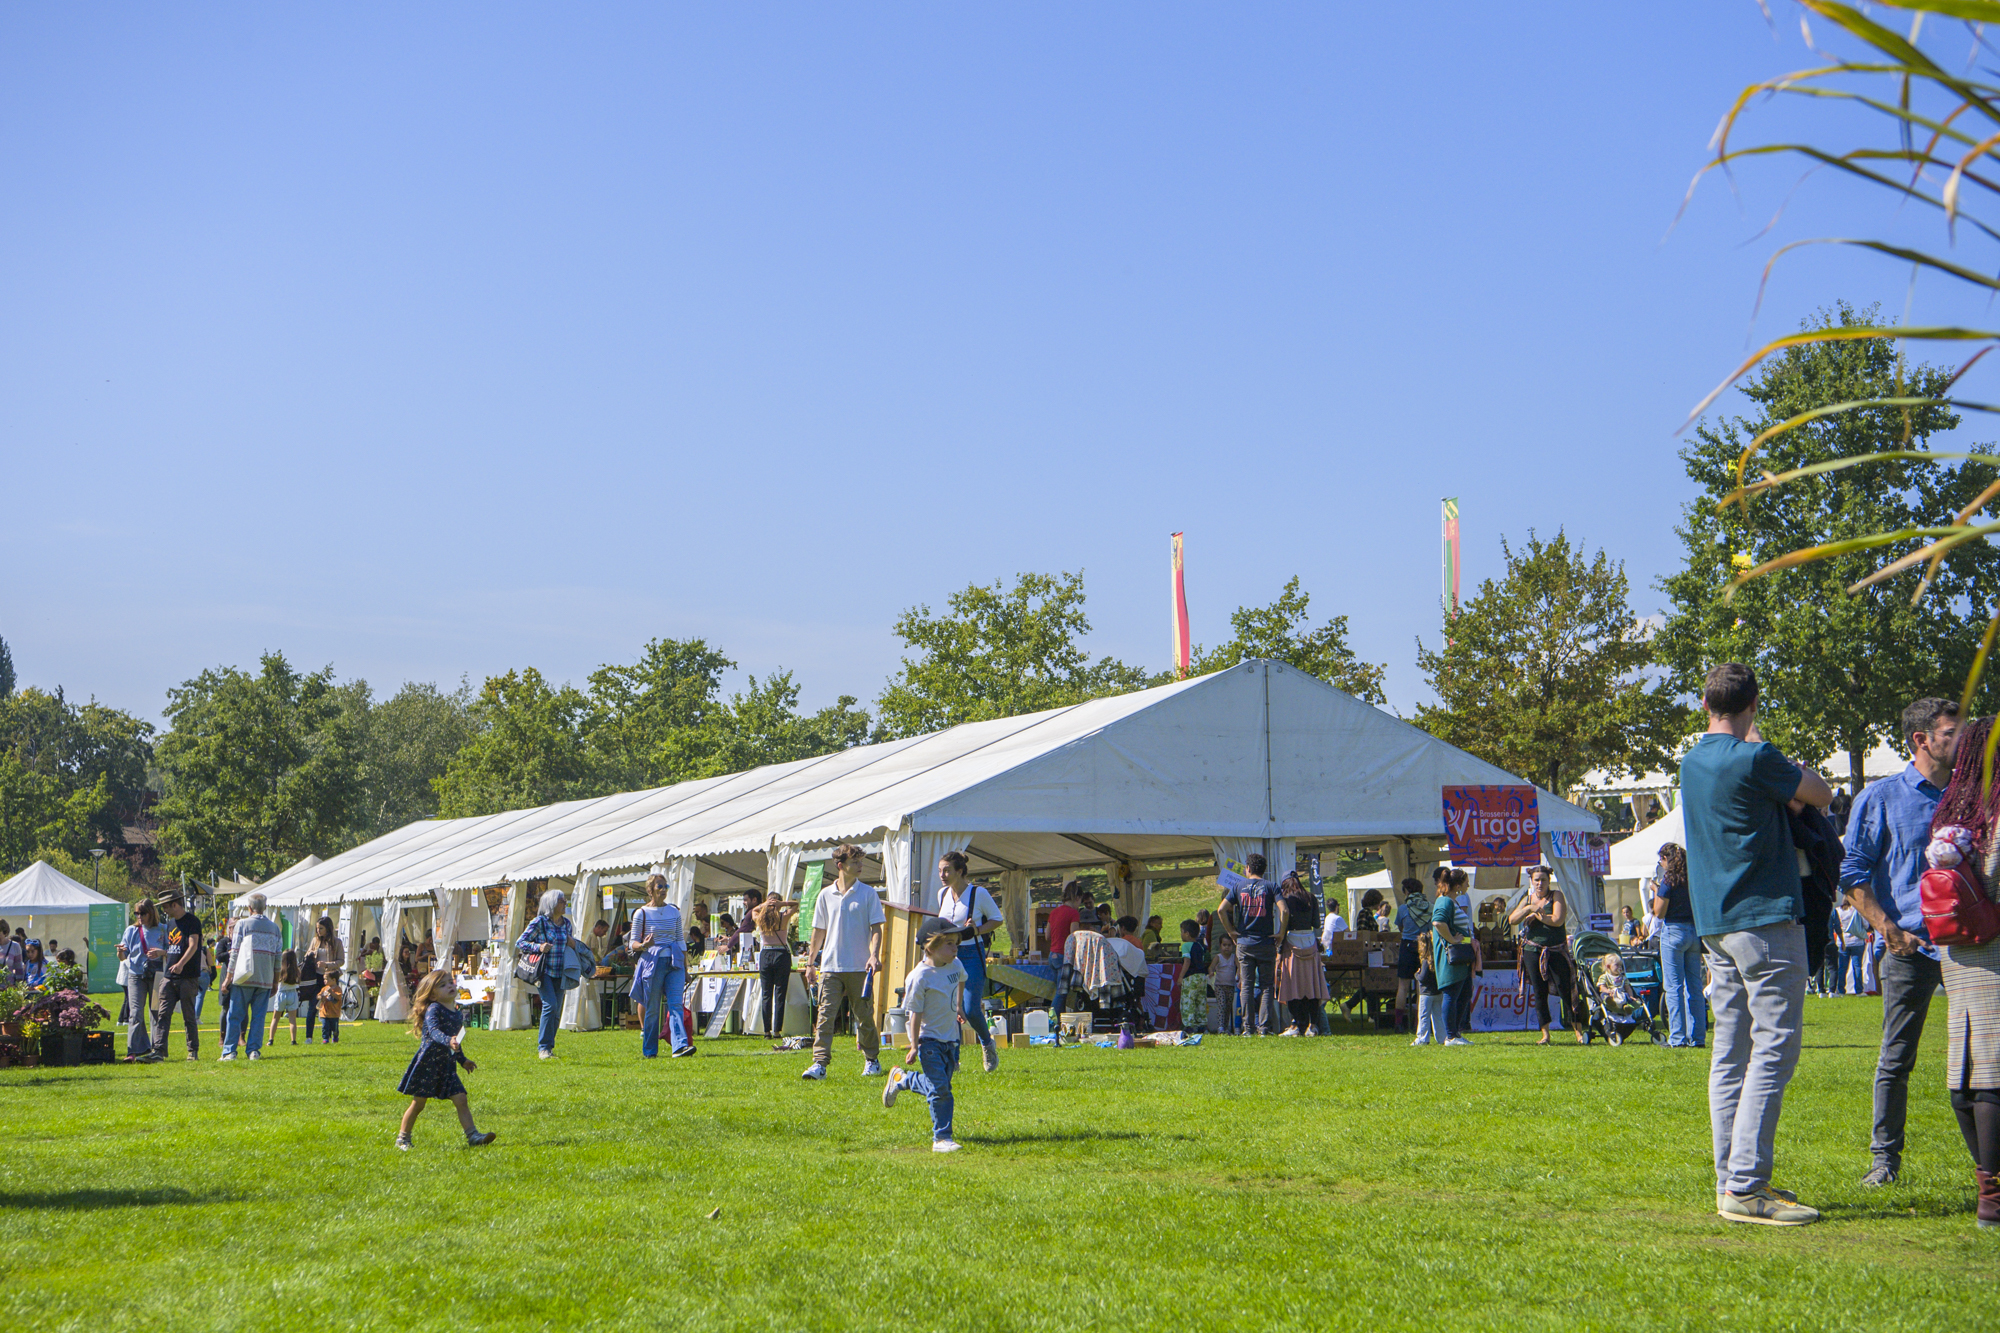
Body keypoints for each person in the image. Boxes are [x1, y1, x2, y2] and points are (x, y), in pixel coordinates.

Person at [1681, 662, 1833, 1226]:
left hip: (1715, 921)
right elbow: (1817, 794)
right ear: (1754, 704)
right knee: (1774, 1049)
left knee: (1731, 1053)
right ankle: (1746, 1186)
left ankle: (1732, 1178)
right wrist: (1768, 746)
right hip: (1766, 918)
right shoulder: (1757, 756)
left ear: (1704, 704)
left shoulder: (1690, 762)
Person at [1839, 697, 1960, 1189]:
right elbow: (1852, 872)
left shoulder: (1972, 795)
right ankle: (1884, 1160)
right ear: (1921, 740)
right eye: (1953, 733)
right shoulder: (1882, 796)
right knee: (1896, 1057)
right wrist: (1887, 929)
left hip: (1970, 946)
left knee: (1986, 1056)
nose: (1964, 740)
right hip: (1910, 947)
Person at [1923, 712, 2000, 1229]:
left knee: (1964, 1077)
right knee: (1992, 1077)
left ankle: (1987, 1186)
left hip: (1956, 955)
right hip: (1995, 954)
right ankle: (1992, 1197)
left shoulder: (1949, 815)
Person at [880, 918, 967, 1153]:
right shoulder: (919, 977)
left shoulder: (955, 964)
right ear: (930, 947)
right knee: (940, 1089)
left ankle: (902, 1080)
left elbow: (961, 980)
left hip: (951, 1039)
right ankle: (941, 1138)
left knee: (939, 1085)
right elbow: (914, 1013)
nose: (955, 948)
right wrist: (914, 1045)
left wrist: (959, 1007)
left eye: (956, 943)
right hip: (928, 1040)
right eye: (949, 943)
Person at [801, 843, 886, 1081]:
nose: (860, 866)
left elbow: (877, 927)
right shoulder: (825, 895)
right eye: (855, 862)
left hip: (860, 967)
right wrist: (810, 964)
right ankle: (819, 1064)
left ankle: (872, 1060)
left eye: (861, 862)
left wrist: (874, 954)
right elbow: (818, 931)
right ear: (841, 866)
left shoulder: (868, 893)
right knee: (825, 1017)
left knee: (865, 1017)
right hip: (830, 967)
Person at [395, 969, 497, 1151]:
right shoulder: (434, 1009)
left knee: (461, 1099)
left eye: (450, 982)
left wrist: (462, 1060)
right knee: (418, 1103)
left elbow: (456, 1039)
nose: (450, 986)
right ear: (432, 995)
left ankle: (473, 1136)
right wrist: (448, 1040)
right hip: (429, 1064)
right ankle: (403, 1139)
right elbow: (434, 1032)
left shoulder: (457, 1013)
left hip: (447, 1066)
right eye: (442, 985)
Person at [937, 853, 1003, 1072]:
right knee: (950, 1008)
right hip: (948, 956)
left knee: (970, 1008)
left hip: (972, 954)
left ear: (960, 871)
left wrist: (976, 929)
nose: (942, 875)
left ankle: (987, 1043)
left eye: (946, 870)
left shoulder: (978, 893)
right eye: (940, 870)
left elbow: (997, 919)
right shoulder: (942, 894)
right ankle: (953, 1060)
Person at [1509, 865, 1585, 1046]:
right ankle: (1545, 1035)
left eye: (1543, 879)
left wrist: (1537, 914)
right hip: (1532, 951)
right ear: (1531, 881)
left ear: (1549, 881)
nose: (1540, 883)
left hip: (1556, 950)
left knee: (1565, 989)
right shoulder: (1528, 899)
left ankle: (1579, 1032)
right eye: (1536, 880)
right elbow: (1512, 919)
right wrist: (1529, 908)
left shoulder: (1556, 895)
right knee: (1539, 992)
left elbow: (1557, 920)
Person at [628, 874, 694, 1058]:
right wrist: (643, 945)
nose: (663, 890)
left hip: (674, 963)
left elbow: (680, 941)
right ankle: (650, 1051)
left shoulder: (674, 911)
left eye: (666, 886)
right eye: (659, 886)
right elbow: (632, 943)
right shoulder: (641, 913)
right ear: (650, 890)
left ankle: (680, 1046)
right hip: (652, 962)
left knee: (675, 1005)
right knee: (652, 1008)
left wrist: (685, 968)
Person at [516, 887, 583, 1060]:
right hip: (544, 971)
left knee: (556, 1010)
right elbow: (520, 942)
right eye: (561, 901)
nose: (565, 904)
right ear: (551, 903)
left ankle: (549, 1048)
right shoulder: (540, 922)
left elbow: (569, 944)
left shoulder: (566, 923)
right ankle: (543, 1047)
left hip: (561, 972)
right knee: (550, 1005)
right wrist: (538, 947)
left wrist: (573, 944)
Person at [1219, 853, 1281, 1035]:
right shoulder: (1271, 886)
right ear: (1263, 869)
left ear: (1247, 868)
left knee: (1246, 985)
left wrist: (1231, 931)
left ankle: (1248, 1028)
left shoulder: (1238, 886)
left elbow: (1221, 909)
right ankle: (1264, 1028)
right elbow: (1283, 910)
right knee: (1267, 985)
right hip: (1266, 942)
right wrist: (1281, 933)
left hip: (1244, 942)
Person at [1651, 843, 1705, 1048]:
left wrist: (1657, 891)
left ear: (1667, 859)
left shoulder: (1668, 880)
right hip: (1693, 931)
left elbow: (1659, 912)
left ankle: (1678, 1038)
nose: (1661, 864)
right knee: (1695, 987)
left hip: (1674, 931)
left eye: (1661, 860)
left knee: (1673, 988)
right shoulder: (1692, 878)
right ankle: (1698, 1037)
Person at [220, 894, 282, 1062]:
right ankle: (253, 1050)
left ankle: (229, 1052)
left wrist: (228, 978)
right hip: (265, 978)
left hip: (244, 977)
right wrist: (275, 980)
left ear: (249, 908)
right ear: (265, 907)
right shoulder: (274, 928)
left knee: (234, 1015)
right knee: (258, 1017)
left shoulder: (242, 924)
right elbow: (278, 957)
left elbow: (234, 953)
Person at [152, 891, 205, 1061]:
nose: (164, 911)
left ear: (175, 904)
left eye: (166, 907)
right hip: (169, 976)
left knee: (189, 1016)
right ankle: (159, 1051)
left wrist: (181, 964)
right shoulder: (170, 923)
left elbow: (193, 945)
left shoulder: (192, 921)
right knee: (163, 1014)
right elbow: (175, 947)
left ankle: (192, 1051)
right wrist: (163, 953)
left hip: (188, 977)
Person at [1276, 873, 1328, 1036]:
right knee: (1312, 986)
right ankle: (1312, 1025)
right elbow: (1316, 923)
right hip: (1310, 944)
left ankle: (1297, 1024)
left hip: (1292, 944)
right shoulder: (1311, 897)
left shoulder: (1285, 899)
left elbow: (1284, 923)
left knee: (1293, 986)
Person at [1431, 869, 1475, 1046]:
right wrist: (1453, 940)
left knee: (1464, 993)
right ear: (1457, 886)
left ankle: (1455, 1033)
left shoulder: (1453, 902)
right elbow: (1438, 922)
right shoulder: (1445, 902)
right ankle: (1450, 1036)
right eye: (1466, 882)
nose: (1468, 885)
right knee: (1452, 993)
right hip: (1451, 957)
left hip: (1460, 958)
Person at [118, 899, 165, 1062]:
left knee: (156, 1012)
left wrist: (161, 952)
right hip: (136, 974)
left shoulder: (162, 929)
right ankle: (134, 1050)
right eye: (137, 913)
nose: (139, 917)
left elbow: (171, 952)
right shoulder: (131, 931)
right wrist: (120, 952)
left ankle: (157, 1049)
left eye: (143, 913)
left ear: (151, 913)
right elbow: (123, 956)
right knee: (135, 1012)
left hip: (157, 974)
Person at [751, 894, 800, 1039]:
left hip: (766, 954)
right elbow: (796, 905)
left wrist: (764, 905)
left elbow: (753, 911)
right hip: (781, 953)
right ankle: (777, 1030)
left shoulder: (760, 919)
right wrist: (782, 903)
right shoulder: (783, 916)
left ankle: (766, 1031)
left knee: (766, 994)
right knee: (780, 994)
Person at [1392, 878, 1429, 1032]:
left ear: (1407, 891)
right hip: (1424, 947)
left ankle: (1399, 1023)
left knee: (1403, 987)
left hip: (1407, 946)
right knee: (1421, 987)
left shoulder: (1403, 908)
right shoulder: (1429, 907)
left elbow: (1400, 926)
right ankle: (1418, 1023)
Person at [1410, 930, 1443, 1046]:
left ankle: (1422, 1038)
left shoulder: (1425, 961)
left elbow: (1423, 977)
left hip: (1426, 994)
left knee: (1423, 1016)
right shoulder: (1436, 959)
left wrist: (1416, 975)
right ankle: (1441, 1037)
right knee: (1438, 1016)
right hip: (1437, 992)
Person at [266, 950, 304, 1046]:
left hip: (281, 994)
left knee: (275, 1018)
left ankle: (271, 1040)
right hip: (293, 994)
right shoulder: (297, 971)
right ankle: (293, 1040)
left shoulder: (280, 970)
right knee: (292, 1019)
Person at [1834, 897, 1870, 997]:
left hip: (1842, 941)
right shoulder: (1857, 910)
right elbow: (1866, 925)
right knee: (1857, 966)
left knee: (1842, 967)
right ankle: (1859, 990)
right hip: (1857, 941)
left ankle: (1841, 990)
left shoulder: (1838, 910)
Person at [1179, 920, 1209, 1032]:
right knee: (1200, 1000)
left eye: (1182, 932)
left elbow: (1187, 961)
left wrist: (1181, 976)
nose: (1181, 935)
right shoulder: (1200, 946)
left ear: (1187, 933)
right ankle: (1202, 1024)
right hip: (1202, 976)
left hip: (1190, 977)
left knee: (1188, 1000)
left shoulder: (1186, 946)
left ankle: (1189, 1025)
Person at [1208, 935, 1238, 1035]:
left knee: (1228, 1007)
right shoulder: (1218, 957)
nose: (1227, 947)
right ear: (1220, 946)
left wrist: (1239, 975)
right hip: (1219, 985)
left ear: (1233, 946)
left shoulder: (1234, 957)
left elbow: (1240, 967)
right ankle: (1220, 1027)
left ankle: (1226, 1027)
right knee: (1222, 1005)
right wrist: (1211, 972)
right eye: (1224, 945)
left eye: (1229, 945)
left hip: (1230, 985)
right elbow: (1211, 967)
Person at [1046, 884, 1081, 959]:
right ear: (1077, 898)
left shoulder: (1053, 912)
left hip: (1052, 954)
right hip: (1064, 954)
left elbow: (1047, 936)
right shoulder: (1074, 913)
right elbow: (1074, 936)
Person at [316, 968, 344, 1045]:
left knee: (334, 1028)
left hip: (334, 1013)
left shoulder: (338, 989)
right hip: (324, 1012)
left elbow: (338, 997)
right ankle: (325, 1038)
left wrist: (331, 992)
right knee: (325, 1027)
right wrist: (321, 997)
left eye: (326, 979)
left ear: (333, 980)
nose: (324, 981)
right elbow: (318, 996)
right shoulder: (324, 988)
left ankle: (335, 1037)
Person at [0, 921, 21, 986]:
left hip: (9, 988)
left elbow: (19, 970)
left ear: (5, 932)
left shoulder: (15, 946)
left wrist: (18, 987)